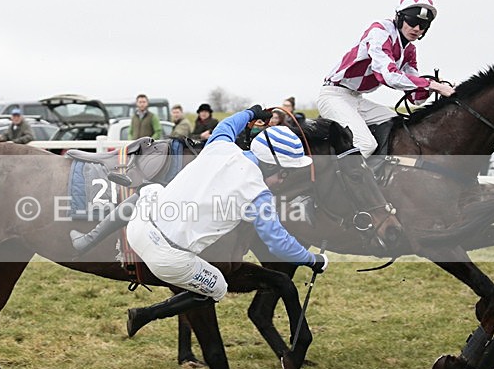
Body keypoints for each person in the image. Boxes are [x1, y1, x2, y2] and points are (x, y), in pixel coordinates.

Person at [70, 105, 328, 336]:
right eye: (283, 174)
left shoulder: (220, 145)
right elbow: (279, 243)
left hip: (138, 228)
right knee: (218, 288)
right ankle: (145, 314)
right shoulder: (257, 195)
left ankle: (88, 239)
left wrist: (251, 113)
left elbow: (228, 125)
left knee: (150, 190)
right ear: (271, 167)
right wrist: (313, 259)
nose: (283, 180)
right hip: (168, 260)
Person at [317, 0, 455, 157]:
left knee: (399, 126)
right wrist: (433, 85)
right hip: (334, 97)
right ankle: (337, 182)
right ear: (400, 17)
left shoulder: (410, 50)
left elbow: (416, 98)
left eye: (423, 25)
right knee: (366, 144)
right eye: (412, 21)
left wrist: (436, 87)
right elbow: (388, 76)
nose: (417, 29)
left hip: (357, 99)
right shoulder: (380, 31)